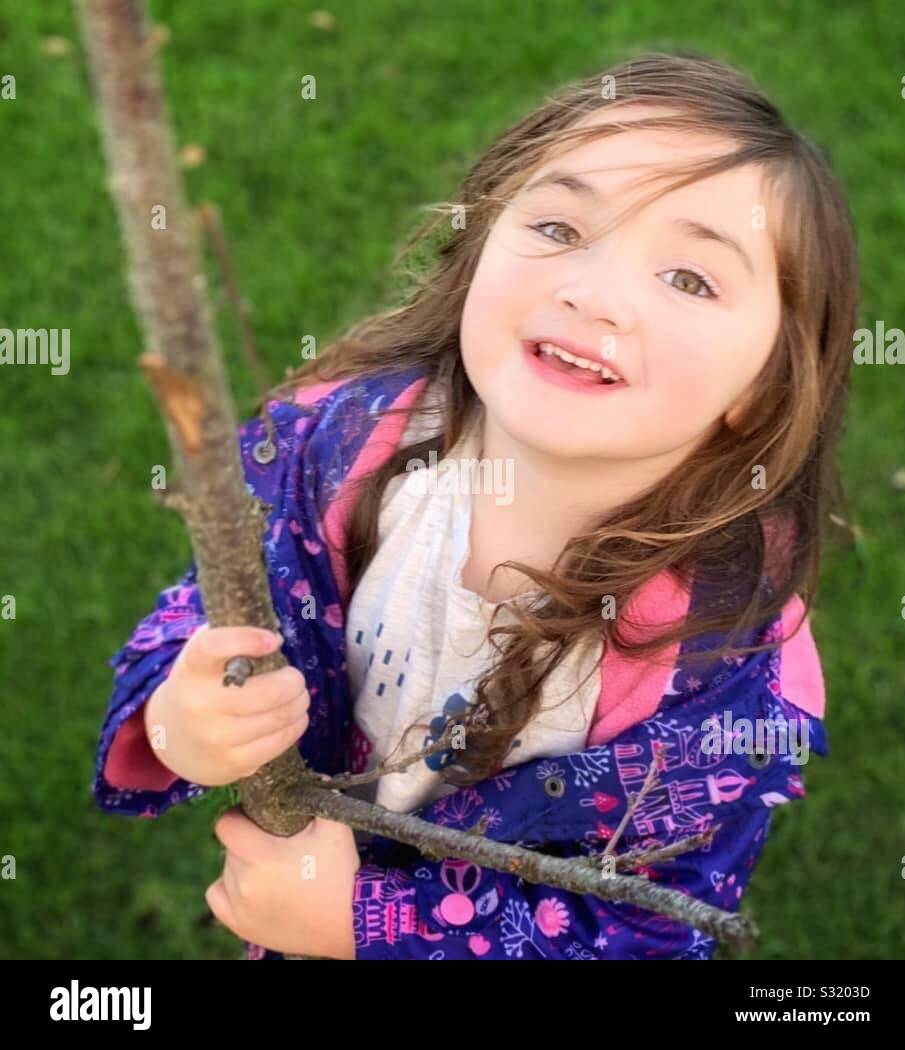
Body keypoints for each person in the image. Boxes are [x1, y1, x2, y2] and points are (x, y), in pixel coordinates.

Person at [94, 51, 856, 960]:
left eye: (689, 278)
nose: (592, 292)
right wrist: (178, 718)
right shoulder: (337, 446)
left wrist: (365, 925)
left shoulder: (723, 659)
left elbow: (641, 931)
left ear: (765, 388)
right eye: (560, 227)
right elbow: (209, 606)